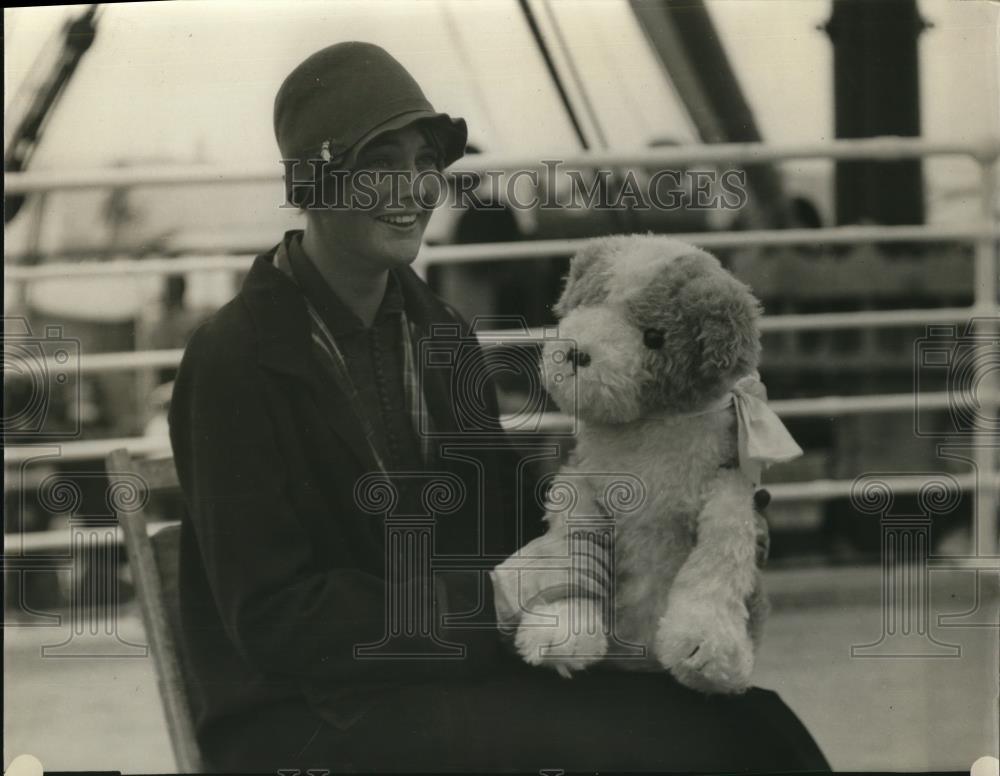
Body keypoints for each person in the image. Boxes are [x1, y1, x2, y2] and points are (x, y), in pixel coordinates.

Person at [168, 41, 830, 773]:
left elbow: (503, 519)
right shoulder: (236, 359)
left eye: (426, 163)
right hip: (301, 718)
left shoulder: (437, 331)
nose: (416, 188)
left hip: (434, 675)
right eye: (383, 162)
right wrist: (491, 601)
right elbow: (276, 621)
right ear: (314, 179)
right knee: (658, 749)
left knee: (750, 727)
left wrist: (660, 529)